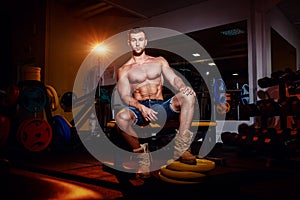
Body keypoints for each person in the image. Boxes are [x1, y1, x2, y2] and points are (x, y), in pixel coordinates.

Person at [115, 27, 197, 178]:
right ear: (129, 43)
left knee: (188, 96)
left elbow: (173, 79)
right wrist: (140, 107)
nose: (137, 43)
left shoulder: (159, 61)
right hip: (140, 108)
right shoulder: (124, 69)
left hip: (161, 106)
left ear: (145, 42)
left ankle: (181, 147)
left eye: (140, 39)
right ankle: (143, 159)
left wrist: (183, 87)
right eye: (134, 40)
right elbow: (125, 96)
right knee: (121, 118)